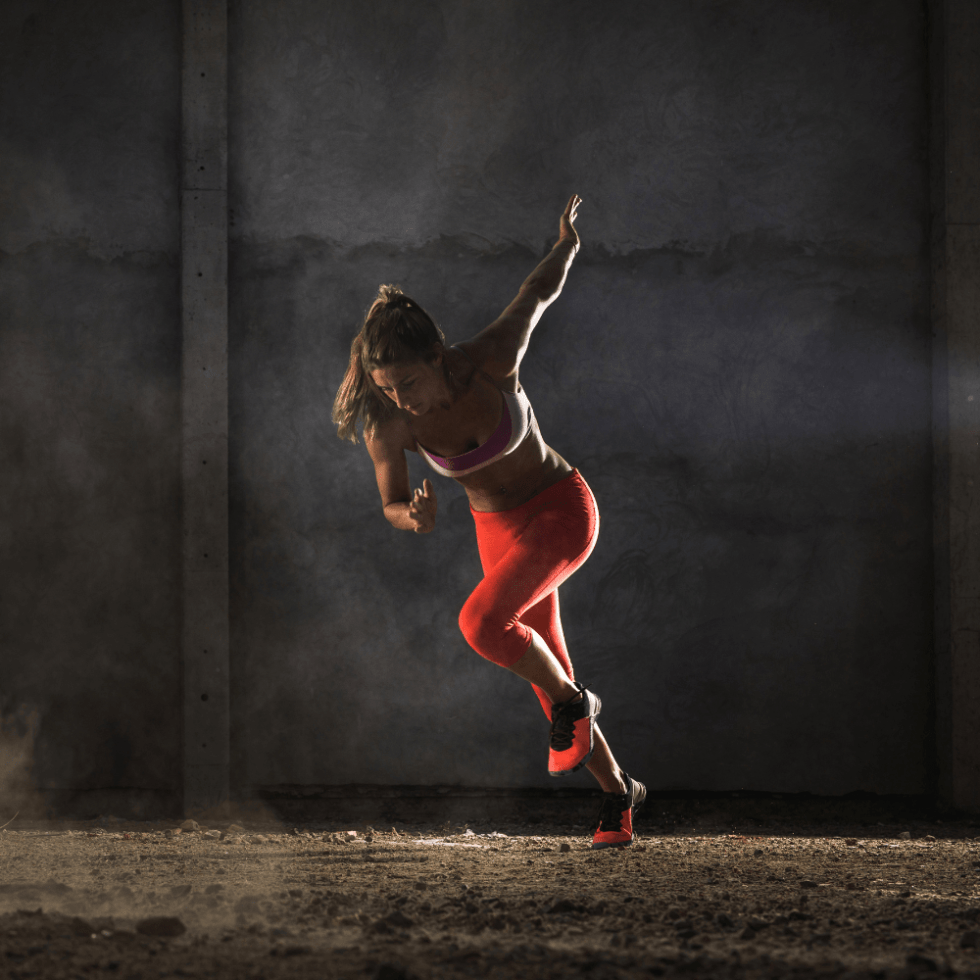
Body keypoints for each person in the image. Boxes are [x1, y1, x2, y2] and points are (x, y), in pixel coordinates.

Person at [332, 195, 644, 848]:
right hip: (496, 530)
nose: (400, 400)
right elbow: (390, 503)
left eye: (408, 383)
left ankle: (576, 703)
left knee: (483, 625)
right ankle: (618, 793)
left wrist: (567, 245)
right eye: (386, 388)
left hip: (560, 509)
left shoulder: (491, 361)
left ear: (438, 356)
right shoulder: (389, 424)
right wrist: (413, 519)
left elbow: (537, 293)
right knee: (545, 670)